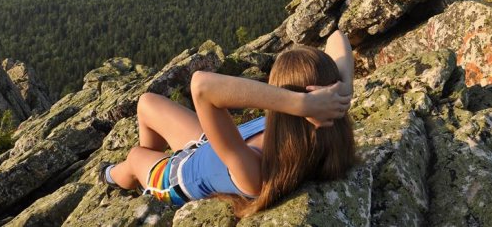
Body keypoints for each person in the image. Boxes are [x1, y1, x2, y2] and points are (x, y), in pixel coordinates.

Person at [98, 30, 356, 217]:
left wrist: (301, 104)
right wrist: (342, 89)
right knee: (146, 103)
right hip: (209, 146)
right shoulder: (321, 127)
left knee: (134, 156)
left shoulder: (256, 171)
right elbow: (336, 36)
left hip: (177, 177)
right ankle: (149, 169)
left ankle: (118, 177)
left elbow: (201, 85)